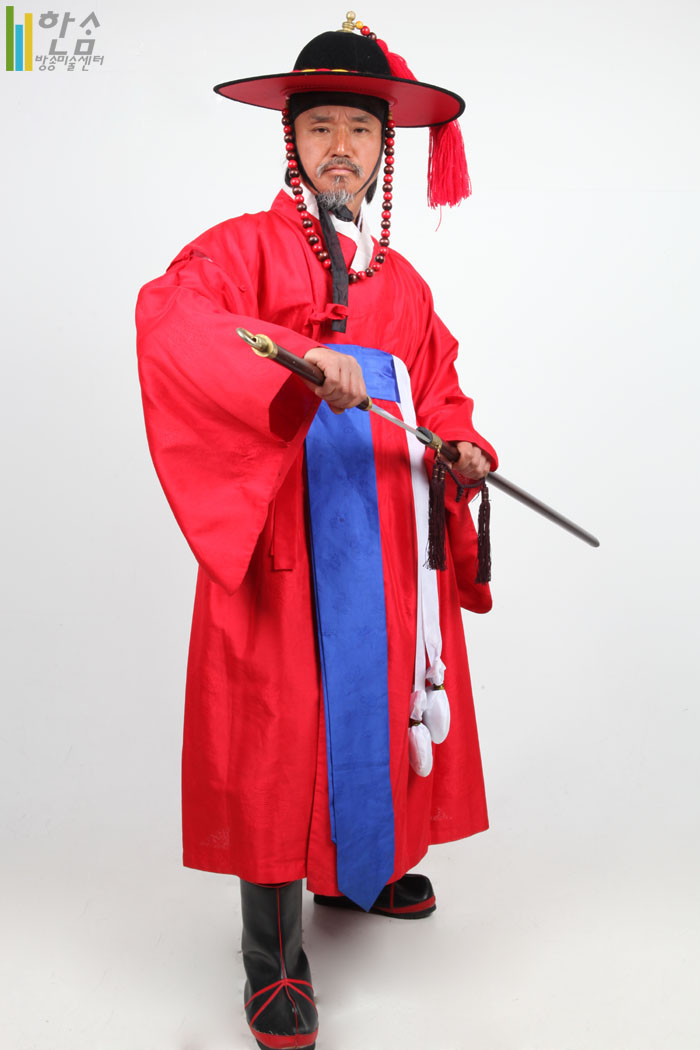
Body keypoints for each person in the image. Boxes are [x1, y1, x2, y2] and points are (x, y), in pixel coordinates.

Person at [135, 13, 498, 1050]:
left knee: (376, 709)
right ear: (290, 140)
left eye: (361, 129)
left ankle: (356, 874)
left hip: (382, 550)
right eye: (322, 126)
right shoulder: (236, 250)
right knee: (279, 728)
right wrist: (295, 360)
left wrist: (460, 447)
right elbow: (173, 321)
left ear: (386, 150)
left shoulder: (404, 285)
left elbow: (438, 390)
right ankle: (273, 958)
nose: (342, 147)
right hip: (287, 544)